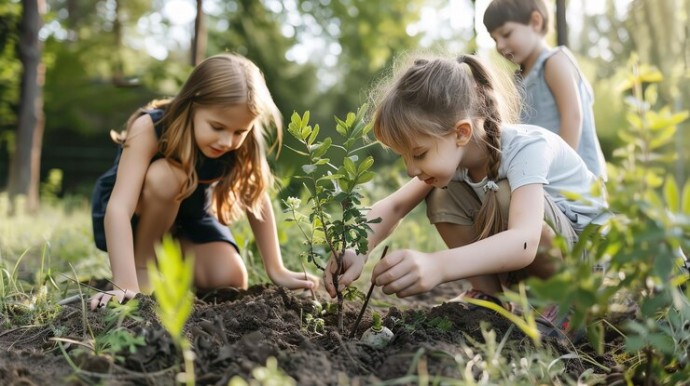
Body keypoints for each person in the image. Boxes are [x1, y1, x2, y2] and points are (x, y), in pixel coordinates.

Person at [323, 54, 608, 335]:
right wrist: (358, 248)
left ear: (461, 132)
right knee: (439, 192)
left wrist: (438, 265)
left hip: (586, 266)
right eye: (404, 157)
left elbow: (524, 241)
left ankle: (571, 305)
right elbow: (396, 206)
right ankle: (490, 298)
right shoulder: (456, 159)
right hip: (544, 259)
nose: (411, 169)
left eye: (419, 153)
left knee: (504, 195)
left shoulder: (527, 149)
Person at [90, 53, 318, 311]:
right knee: (166, 176)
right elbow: (120, 208)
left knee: (228, 280)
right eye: (217, 127)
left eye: (238, 132)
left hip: (189, 217)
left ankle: (170, 266)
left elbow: (256, 194)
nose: (227, 141)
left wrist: (276, 269)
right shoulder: (151, 127)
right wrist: (124, 283)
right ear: (194, 104)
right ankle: (143, 266)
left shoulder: (242, 136)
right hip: (136, 216)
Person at [483, 0, 607, 180]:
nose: (500, 45)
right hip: (541, 175)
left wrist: (561, 171)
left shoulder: (554, 62)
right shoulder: (518, 80)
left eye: (506, 34)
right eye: (494, 39)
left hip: (573, 179)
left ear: (535, 21)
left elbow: (573, 117)